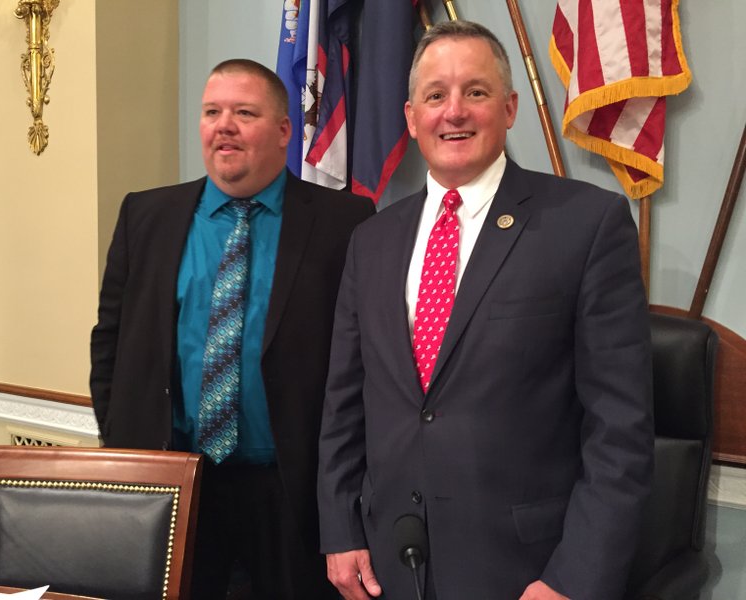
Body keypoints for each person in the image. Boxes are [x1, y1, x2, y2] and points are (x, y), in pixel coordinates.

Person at [317, 20, 654, 600]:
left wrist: (572, 579)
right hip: (389, 564)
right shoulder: (371, 239)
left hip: (527, 572)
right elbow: (345, 403)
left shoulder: (587, 225)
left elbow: (620, 431)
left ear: (510, 107)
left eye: (475, 92)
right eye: (435, 95)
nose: (454, 112)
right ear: (410, 116)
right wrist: (340, 528)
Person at [90, 58, 375, 599]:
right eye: (212, 112)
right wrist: (123, 445)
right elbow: (110, 341)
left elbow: (362, 360)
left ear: (284, 130)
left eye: (245, 112)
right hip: (175, 482)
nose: (225, 125)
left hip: (291, 491)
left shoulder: (347, 222)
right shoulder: (146, 216)